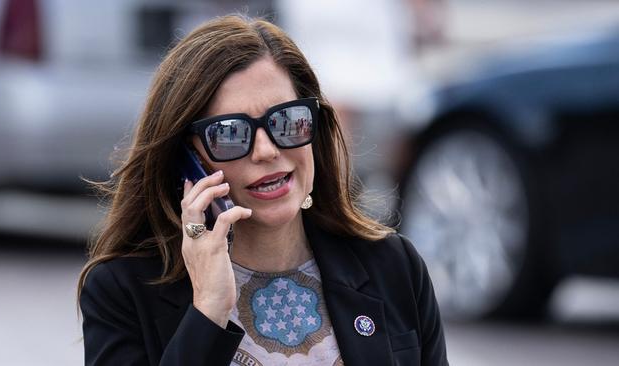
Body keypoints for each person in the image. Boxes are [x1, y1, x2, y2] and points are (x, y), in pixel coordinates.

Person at [77, 15, 448, 366]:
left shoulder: (393, 264)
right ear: (186, 158)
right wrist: (208, 312)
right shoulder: (121, 290)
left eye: (286, 120)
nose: (268, 150)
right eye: (229, 133)